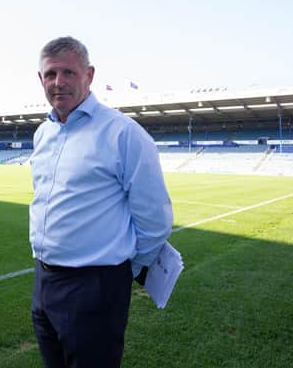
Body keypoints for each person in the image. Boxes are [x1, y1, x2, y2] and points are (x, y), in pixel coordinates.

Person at [29, 36, 173, 367]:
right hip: (44, 281)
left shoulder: (122, 133)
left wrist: (122, 273)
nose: (58, 82)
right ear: (40, 79)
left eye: (68, 72)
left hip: (95, 287)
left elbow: (155, 219)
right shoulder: (43, 134)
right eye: (50, 74)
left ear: (89, 75)